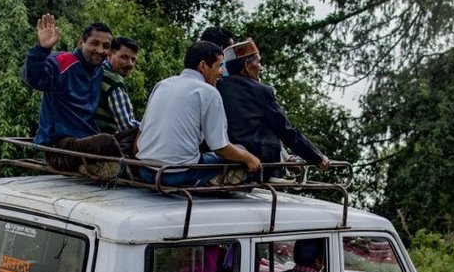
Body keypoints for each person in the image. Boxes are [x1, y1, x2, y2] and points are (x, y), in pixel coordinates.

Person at [135, 41, 262, 187]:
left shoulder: (162, 84)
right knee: (241, 150)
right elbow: (221, 148)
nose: (221, 72)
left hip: (145, 172)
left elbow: (140, 133)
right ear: (203, 66)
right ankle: (215, 180)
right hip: (177, 175)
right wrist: (249, 158)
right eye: (218, 66)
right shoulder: (209, 92)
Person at [21, 17, 124, 171]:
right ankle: (95, 167)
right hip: (61, 148)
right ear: (81, 42)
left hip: (86, 144)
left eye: (106, 46)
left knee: (133, 137)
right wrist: (42, 49)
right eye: (94, 43)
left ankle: (91, 166)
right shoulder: (64, 61)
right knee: (107, 142)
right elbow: (34, 78)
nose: (100, 50)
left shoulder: (99, 71)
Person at [216, 39, 331, 177]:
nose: (261, 67)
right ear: (247, 65)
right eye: (258, 62)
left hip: (225, 156)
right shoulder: (261, 91)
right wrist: (317, 157)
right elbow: (286, 129)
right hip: (261, 163)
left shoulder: (217, 87)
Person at [94, 35, 140, 134]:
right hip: (98, 139)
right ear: (109, 54)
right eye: (124, 57)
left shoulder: (97, 70)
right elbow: (127, 126)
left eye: (133, 60)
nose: (130, 64)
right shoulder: (113, 82)